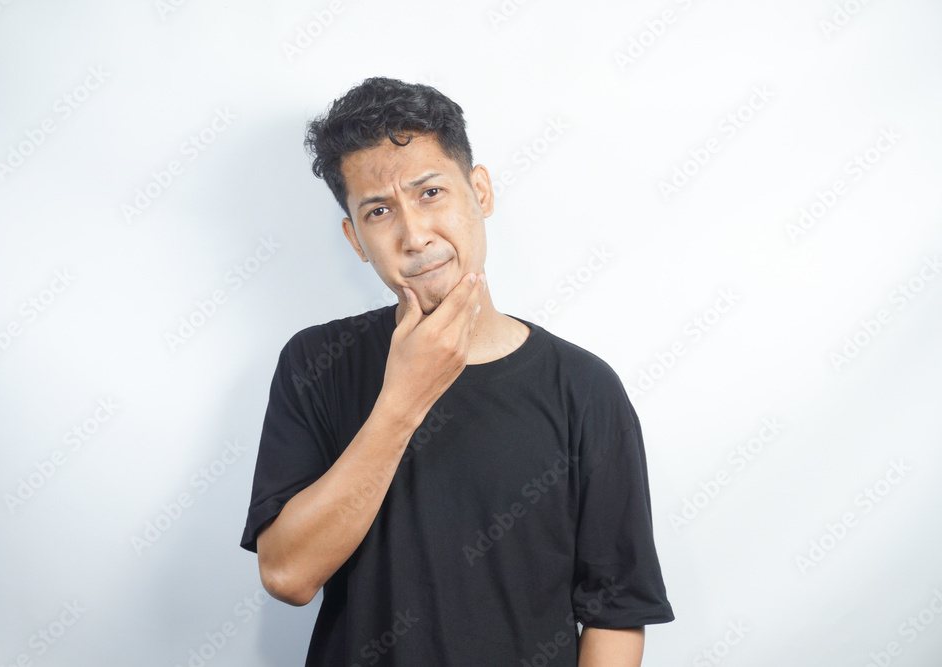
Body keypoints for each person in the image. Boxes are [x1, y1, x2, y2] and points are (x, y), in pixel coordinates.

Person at [240, 76, 674, 666]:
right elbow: (288, 575)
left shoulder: (584, 388)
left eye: (430, 193)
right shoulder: (315, 364)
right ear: (355, 239)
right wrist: (402, 402)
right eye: (378, 210)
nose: (414, 234)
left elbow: (616, 615)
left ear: (481, 191)